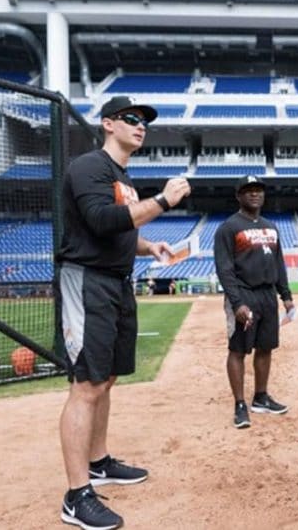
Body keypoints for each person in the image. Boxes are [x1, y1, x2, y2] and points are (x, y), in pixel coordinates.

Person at [56, 95, 192, 530]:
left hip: (116, 280)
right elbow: (100, 220)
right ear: (108, 124)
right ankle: (76, 496)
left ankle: (98, 462)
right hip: (88, 279)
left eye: (144, 122)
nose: (141, 126)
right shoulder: (89, 167)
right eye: (132, 119)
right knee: (87, 385)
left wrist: (150, 245)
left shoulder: (122, 176)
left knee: (107, 377)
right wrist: (164, 202)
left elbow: (121, 227)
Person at [214, 175, 295, 430]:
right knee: (238, 349)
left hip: (267, 295)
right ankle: (240, 404)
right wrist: (237, 303)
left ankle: (261, 397)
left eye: (258, 190)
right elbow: (224, 269)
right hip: (244, 295)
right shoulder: (229, 227)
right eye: (248, 190)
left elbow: (278, 264)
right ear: (238, 196)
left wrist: (287, 297)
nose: (254, 194)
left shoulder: (271, 227)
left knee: (266, 347)